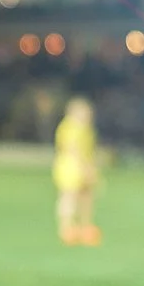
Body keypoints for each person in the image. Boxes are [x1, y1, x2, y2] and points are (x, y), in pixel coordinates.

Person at [51, 96, 101, 246]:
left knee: (86, 195)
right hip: (70, 167)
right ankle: (66, 228)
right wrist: (86, 168)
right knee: (69, 195)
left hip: (82, 165)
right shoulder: (69, 127)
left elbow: (89, 149)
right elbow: (73, 149)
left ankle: (84, 227)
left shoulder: (86, 128)